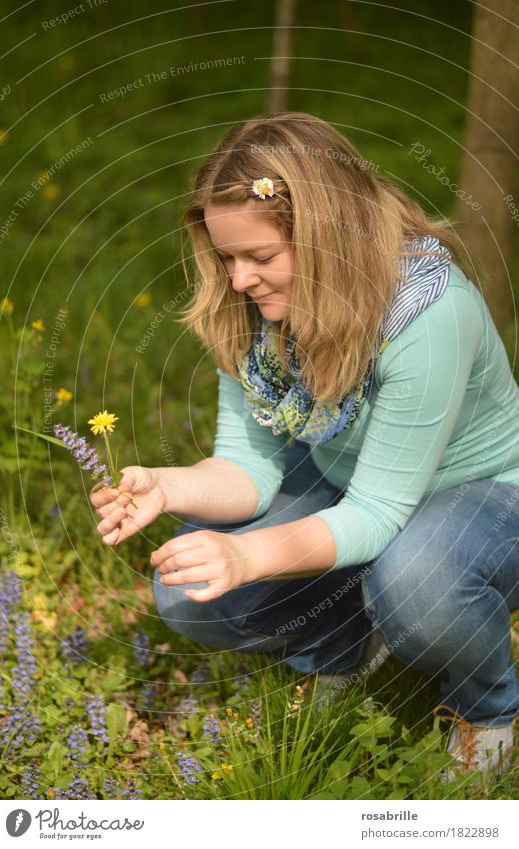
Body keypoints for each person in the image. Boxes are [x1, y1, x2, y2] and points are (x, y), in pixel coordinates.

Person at [90, 111, 519, 779]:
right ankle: (345, 645)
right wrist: (167, 485)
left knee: (416, 583)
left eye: (258, 257)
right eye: (226, 256)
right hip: (351, 477)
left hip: (478, 493)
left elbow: (378, 510)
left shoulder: (427, 312)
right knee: (187, 594)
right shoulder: (257, 310)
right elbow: (249, 469)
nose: (237, 280)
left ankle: (485, 705)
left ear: (325, 238)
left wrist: (247, 551)